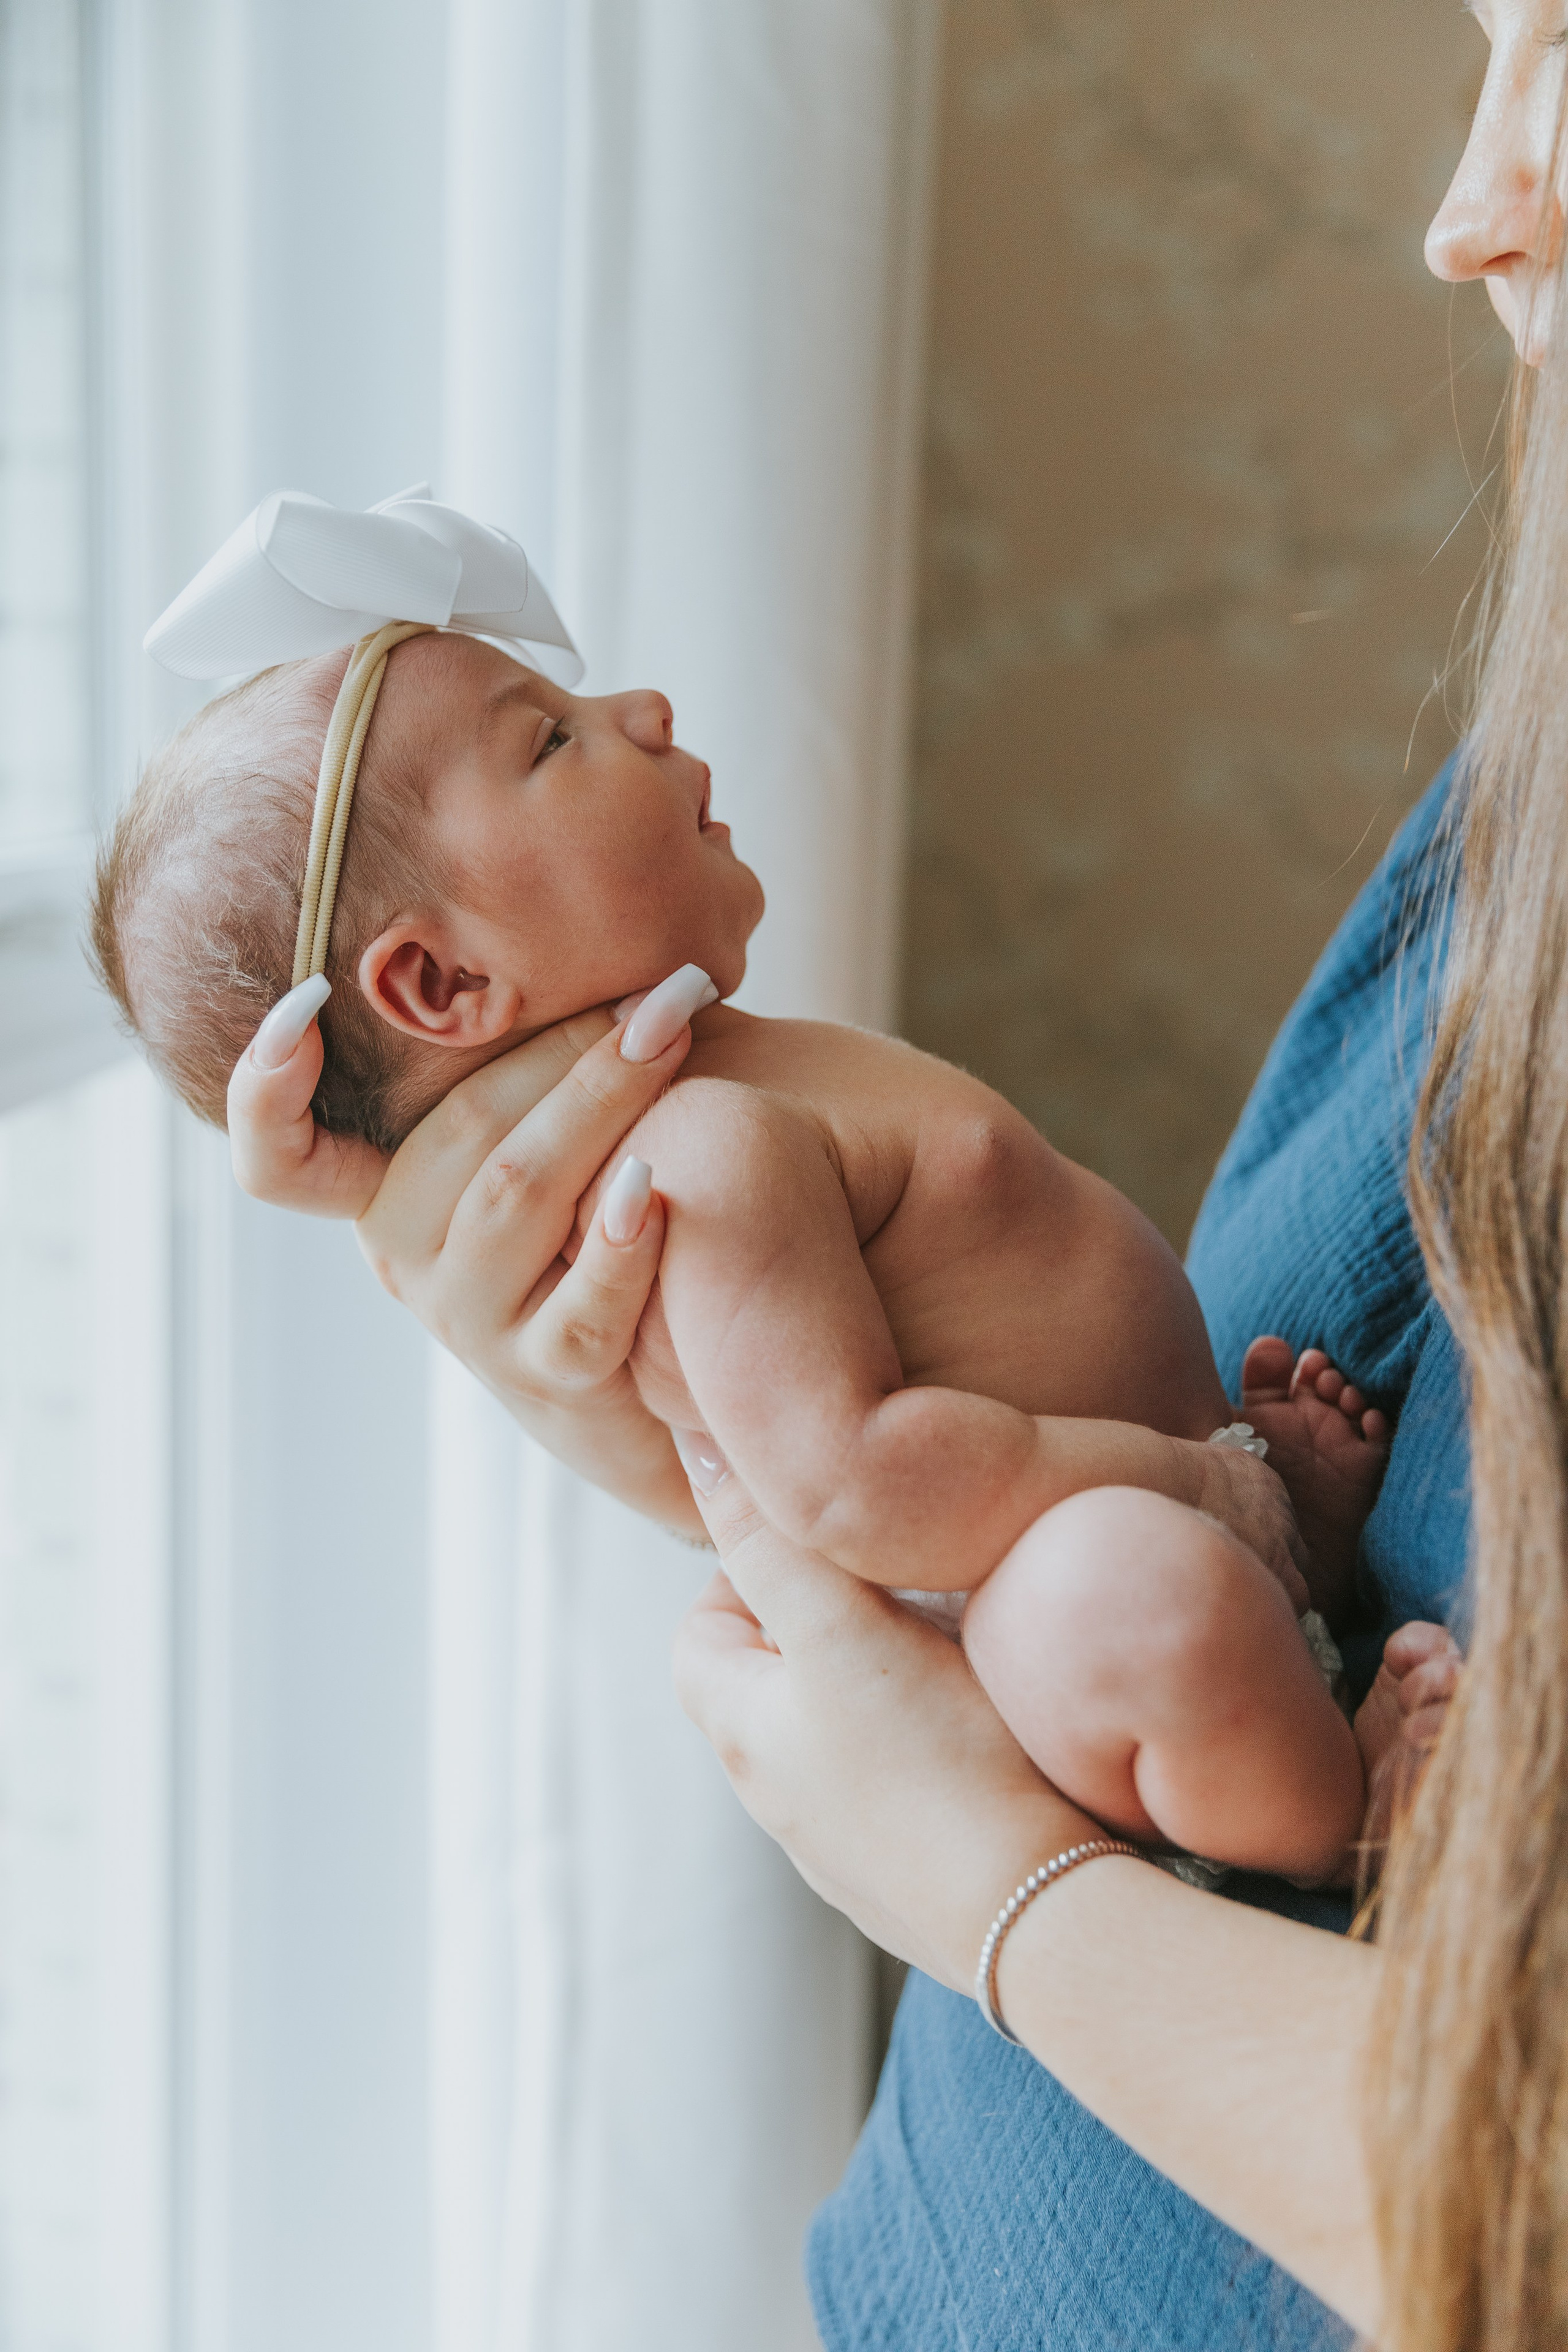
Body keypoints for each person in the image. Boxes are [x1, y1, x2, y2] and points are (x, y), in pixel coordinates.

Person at [217, 1, 1568, 2343]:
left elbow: (1513, 2216)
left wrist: (981, 1875)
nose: (1469, 211)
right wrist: (648, 1421)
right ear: (439, 988)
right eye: (1493, 41)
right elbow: (887, 1484)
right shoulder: (1512, 815)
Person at [99, 567, 1453, 1885]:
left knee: (1150, 1575)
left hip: (1138, 1499)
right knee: (1130, 1596)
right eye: (549, 740)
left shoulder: (714, 1081)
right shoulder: (696, 1154)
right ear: (443, 981)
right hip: (1040, 1630)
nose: (643, 710)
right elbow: (849, 1484)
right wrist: (1198, 1485)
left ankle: (1288, 1579)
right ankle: (1340, 1813)